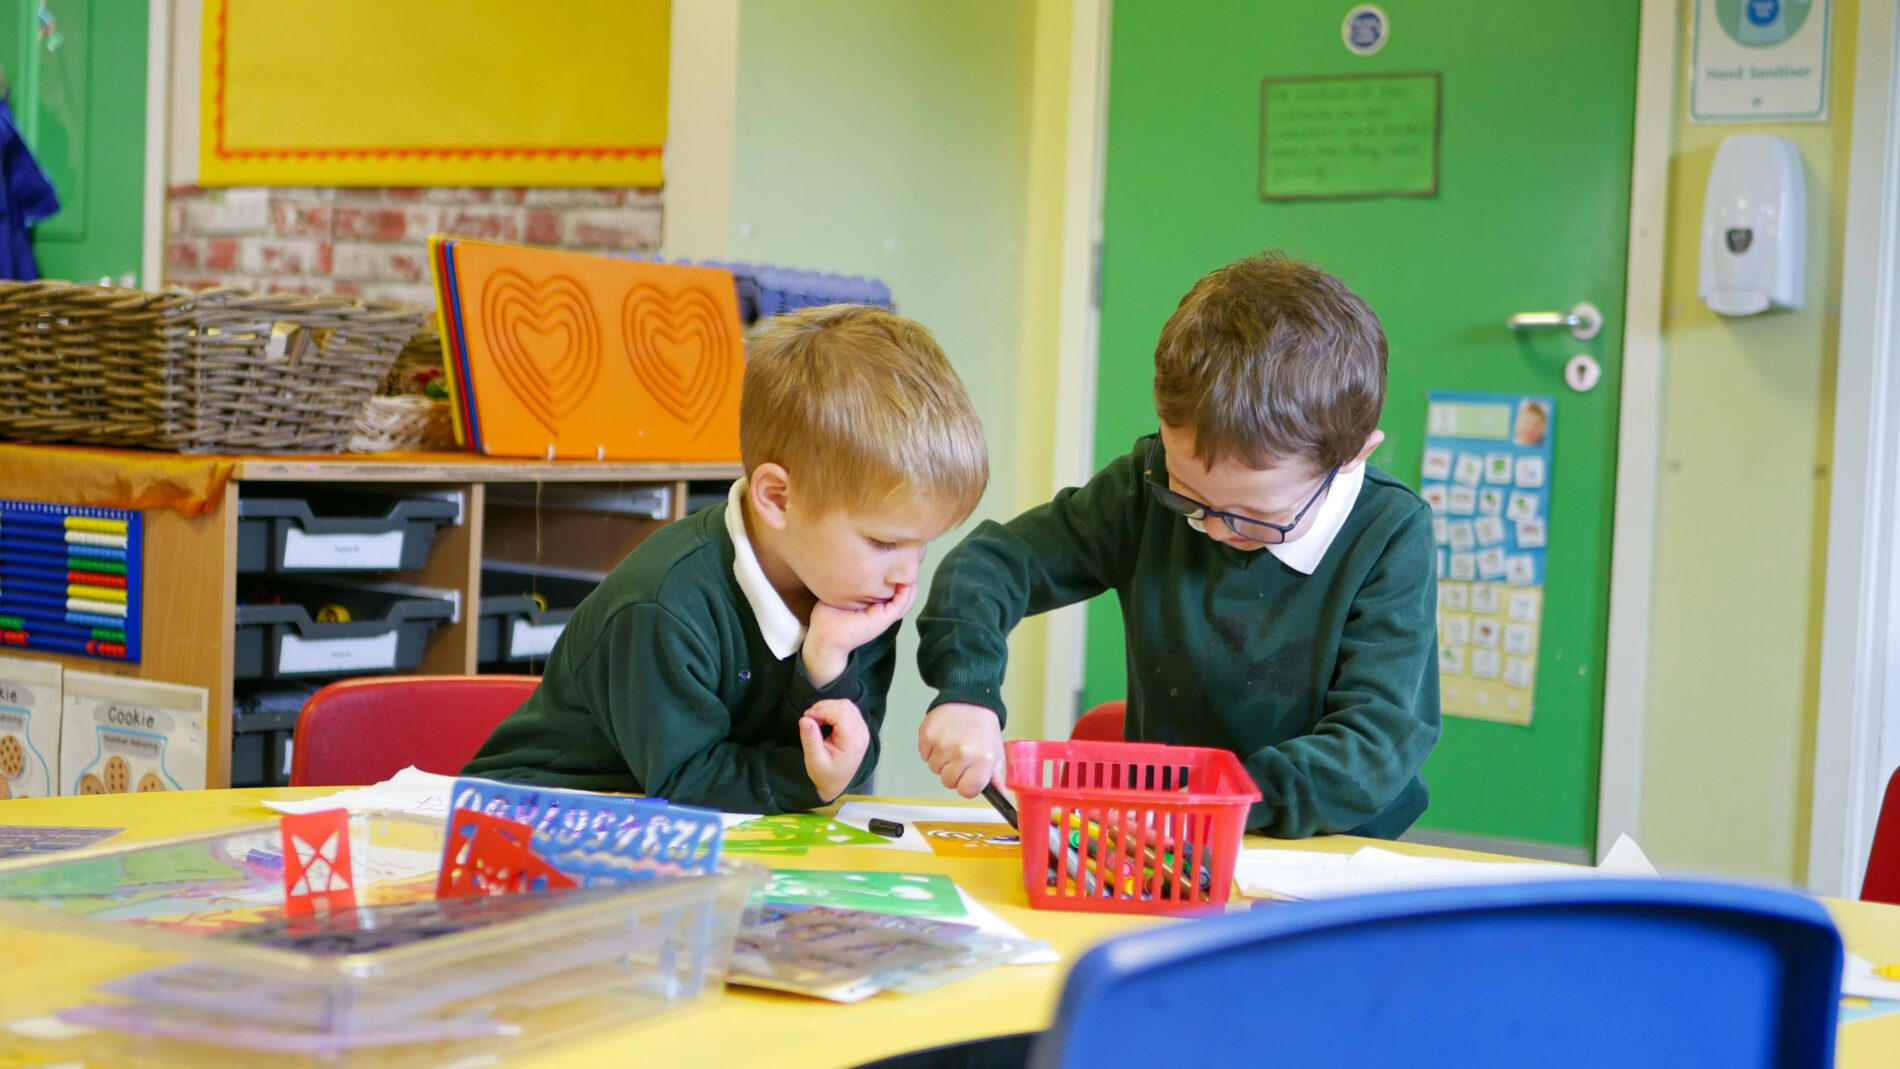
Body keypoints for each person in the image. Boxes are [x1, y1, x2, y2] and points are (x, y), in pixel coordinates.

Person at [916, 252, 1439, 838]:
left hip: (1327, 850)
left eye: (1255, 518)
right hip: (1158, 842)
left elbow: (1375, 748)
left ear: (1352, 457)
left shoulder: (1389, 533)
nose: (1215, 528)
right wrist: (968, 690)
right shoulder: (1144, 484)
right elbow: (993, 565)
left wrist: (1205, 803)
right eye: (1187, 497)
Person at [465, 304, 989, 812]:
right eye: (884, 542)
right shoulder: (664, 604)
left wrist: (827, 666)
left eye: (923, 545)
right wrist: (810, 780)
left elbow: (853, 752)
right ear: (778, 499)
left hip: (692, 835)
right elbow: (690, 784)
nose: (907, 574)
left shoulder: (857, 593)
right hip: (535, 821)